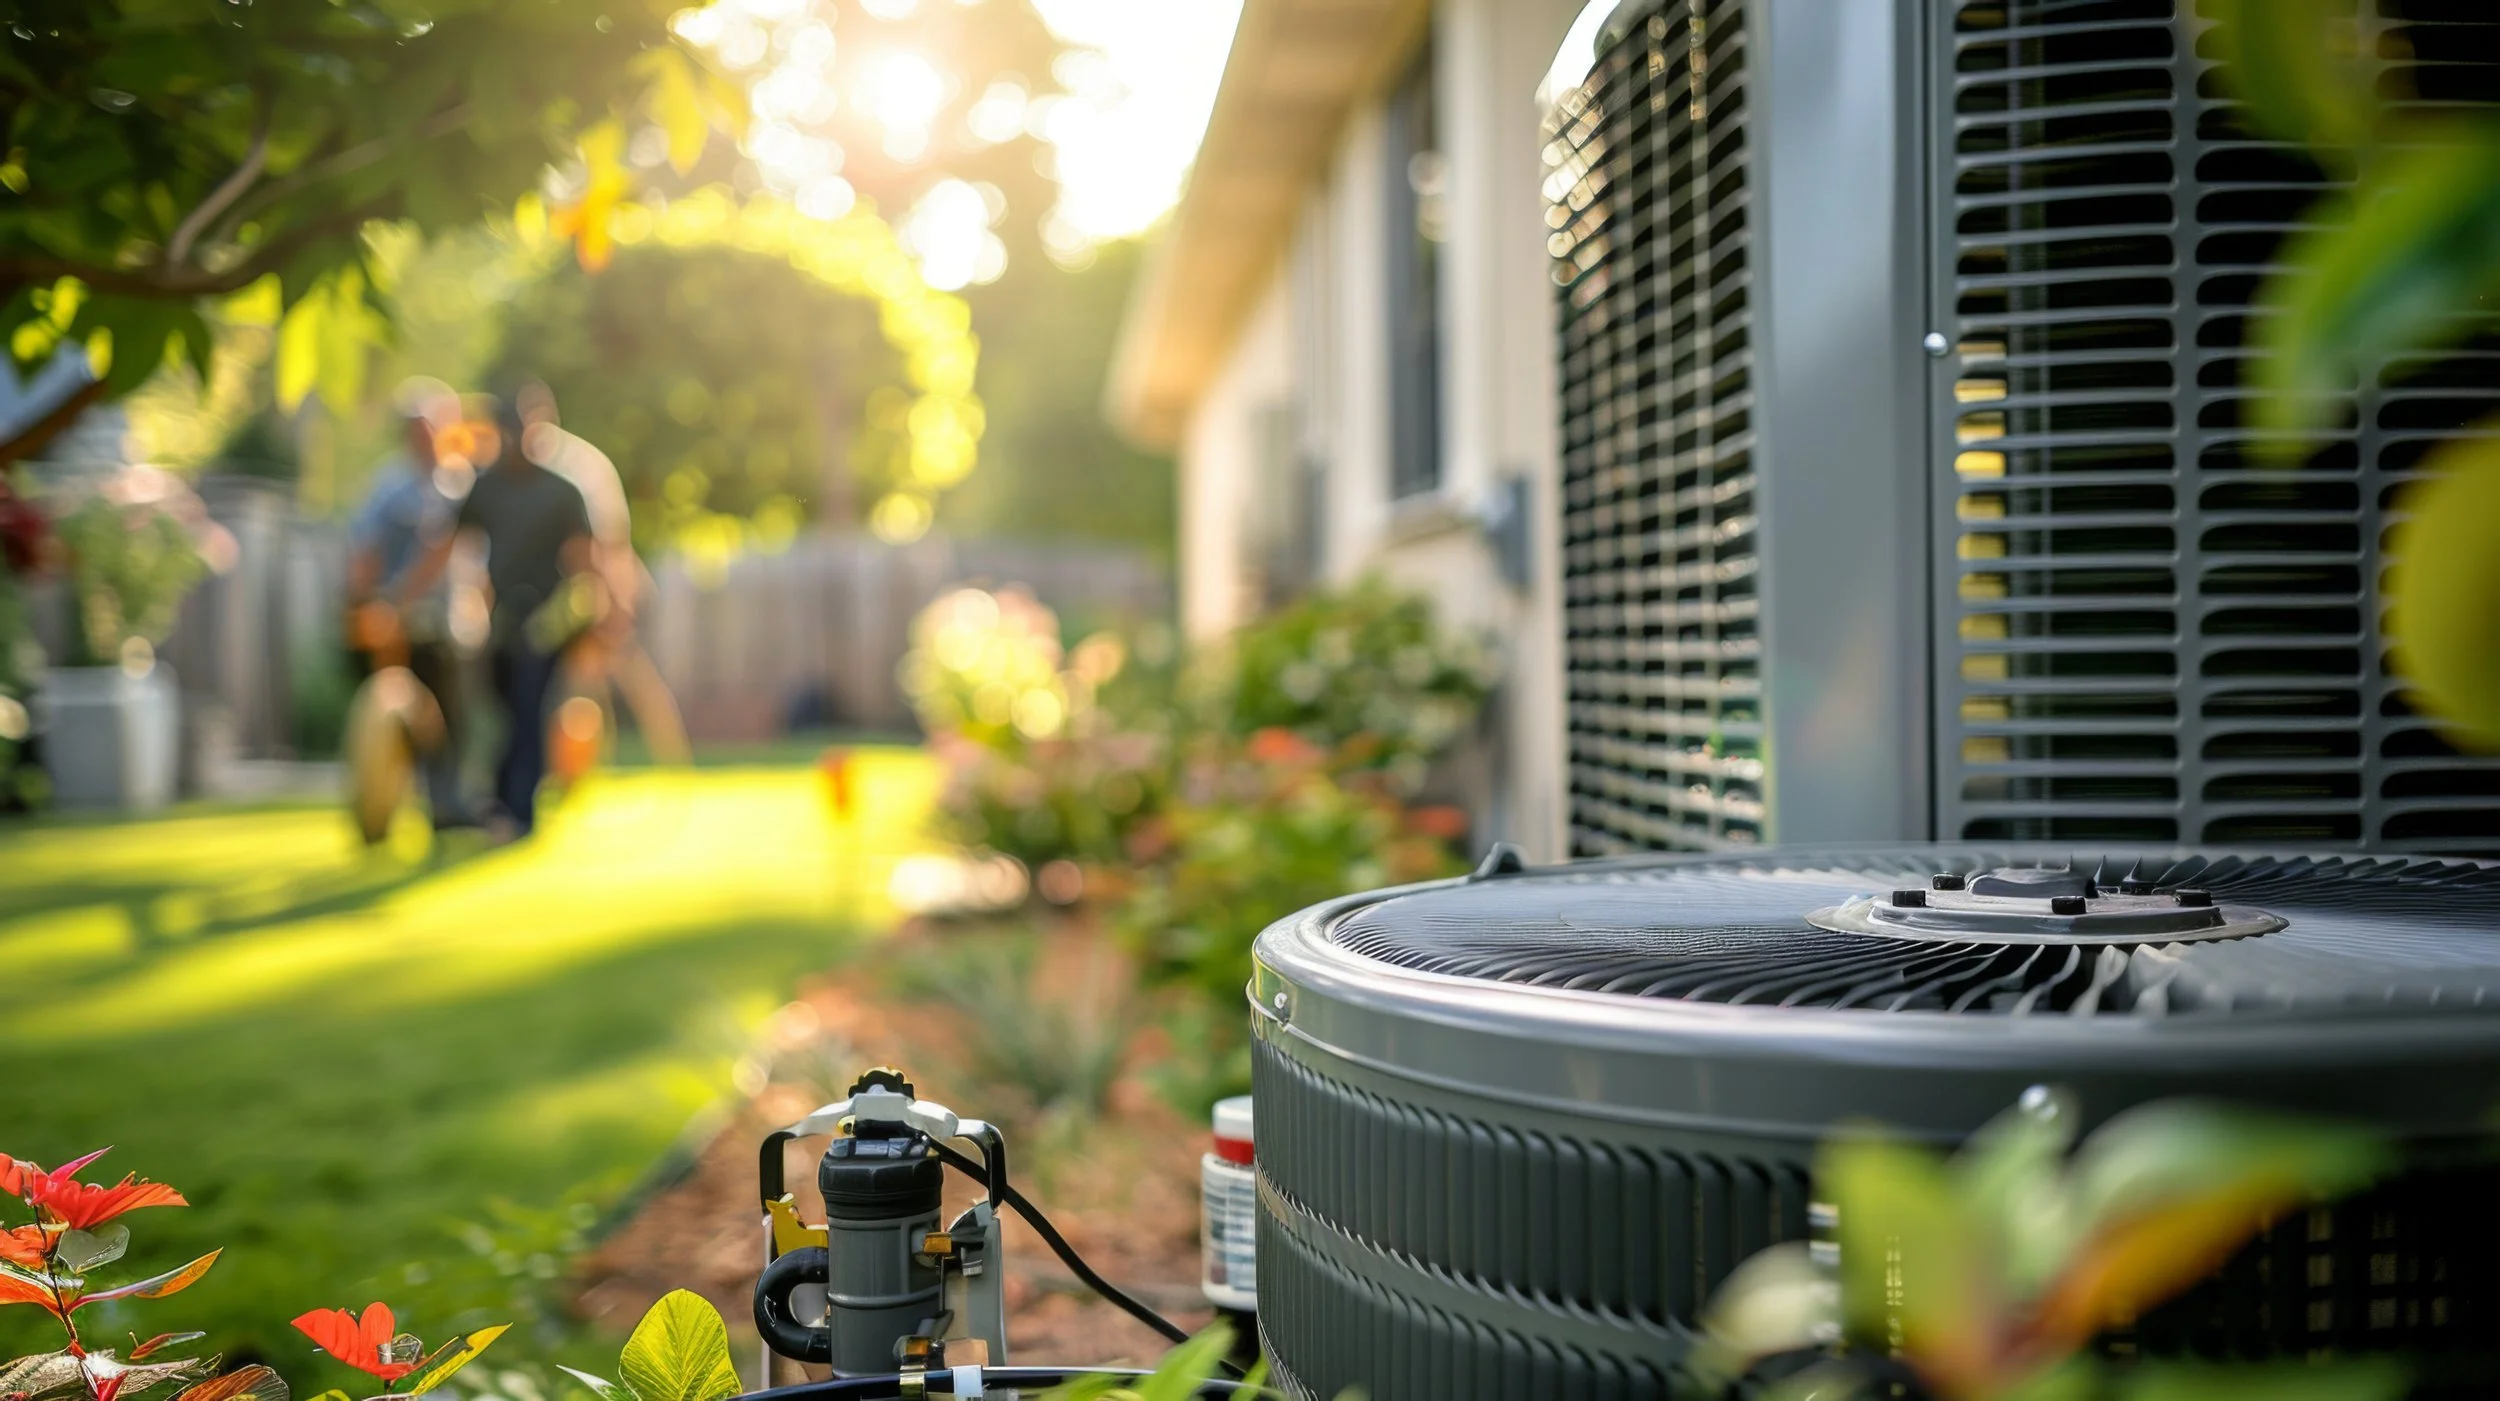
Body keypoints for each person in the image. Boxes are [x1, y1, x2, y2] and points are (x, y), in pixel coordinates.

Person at [409, 394, 595, 838]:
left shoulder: (562, 492)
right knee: (500, 712)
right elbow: (444, 546)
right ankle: (495, 801)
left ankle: (518, 811)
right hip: (501, 622)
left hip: (547, 621)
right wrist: (402, 597)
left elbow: (587, 560)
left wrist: (606, 613)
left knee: (529, 711)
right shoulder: (487, 488)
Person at [345, 378, 470, 827]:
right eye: (415, 428)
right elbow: (363, 552)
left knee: (450, 720)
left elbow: (450, 552)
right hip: (396, 629)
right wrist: (366, 606)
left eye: (431, 426)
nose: (424, 436)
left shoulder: (460, 484)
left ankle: (446, 806)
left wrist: (402, 596)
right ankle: (379, 807)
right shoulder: (388, 487)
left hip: (445, 627)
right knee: (387, 722)